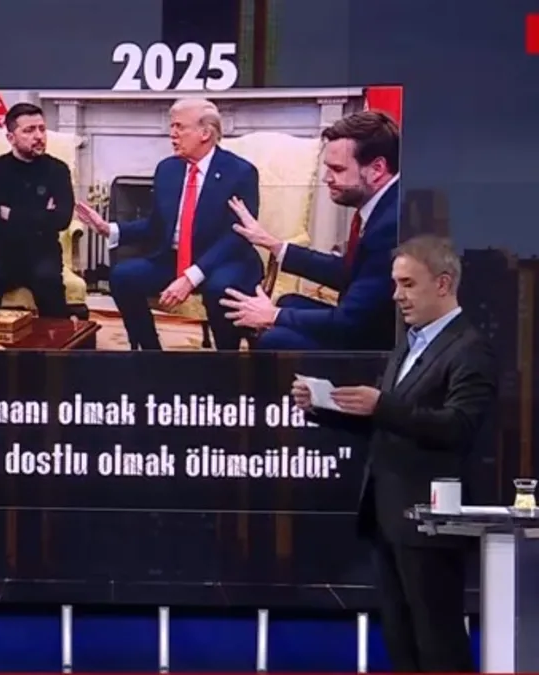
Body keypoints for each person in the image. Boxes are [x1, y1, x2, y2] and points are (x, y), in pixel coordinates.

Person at [290, 235, 491, 672]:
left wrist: (382, 405)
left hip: (431, 520)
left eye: (407, 284)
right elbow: (388, 424)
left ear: (443, 284)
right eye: (395, 284)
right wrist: (324, 408)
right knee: (401, 639)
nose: (397, 295)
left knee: (437, 642)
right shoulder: (409, 344)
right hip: (388, 515)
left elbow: (458, 426)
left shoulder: (469, 347)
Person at [75, 98, 262, 350]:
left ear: (205, 133)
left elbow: (237, 236)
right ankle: (150, 353)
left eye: (179, 127)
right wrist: (110, 229)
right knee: (123, 276)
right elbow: (157, 224)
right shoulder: (168, 169)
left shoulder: (240, 172)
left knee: (219, 289)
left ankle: (227, 359)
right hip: (175, 259)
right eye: (171, 126)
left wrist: (191, 277)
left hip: (224, 260)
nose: (172, 134)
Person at [222, 110, 399, 351]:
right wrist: (274, 244)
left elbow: (352, 321)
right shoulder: (384, 204)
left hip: (375, 347)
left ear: (377, 169)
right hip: (363, 322)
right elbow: (349, 272)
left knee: (273, 338)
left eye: (337, 169)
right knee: (288, 302)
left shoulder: (389, 225)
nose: (326, 178)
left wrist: (274, 315)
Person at [0, 102, 73, 318]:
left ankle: (55, 338)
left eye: (42, 129)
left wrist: (11, 214)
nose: (39, 136)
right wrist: (42, 215)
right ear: (11, 137)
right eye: (29, 130)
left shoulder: (58, 170)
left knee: (48, 282)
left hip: (43, 250)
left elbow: (62, 220)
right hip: (1, 251)